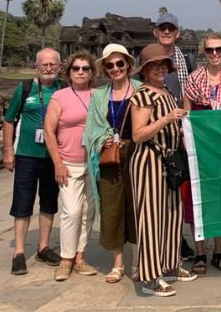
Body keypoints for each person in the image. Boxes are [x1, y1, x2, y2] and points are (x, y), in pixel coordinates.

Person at [128, 43, 194, 297]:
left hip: (169, 162)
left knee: (172, 215)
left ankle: (170, 265)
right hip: (149, 161)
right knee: (151, 218)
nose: (159, 69)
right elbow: (138, 134)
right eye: (153, 66)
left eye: (163, 65)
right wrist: (166, 119)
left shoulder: (166, 91)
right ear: (144, 71)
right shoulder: (143, 94)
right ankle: (150, 276)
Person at [180, 34, 221, 272]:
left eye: (219, 50)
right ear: (203, 52)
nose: (215, 54)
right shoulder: (194, 80)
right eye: (210, 50)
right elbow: (186, 116)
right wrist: (188, 146)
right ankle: (199, 254)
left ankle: (218, 251)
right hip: (200, 150)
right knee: (198, 202)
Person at [4, 48, 65, 275]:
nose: (48, 68)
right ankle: (19, 251)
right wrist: (9, 151)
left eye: (53, 64)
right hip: (27, 154)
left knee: (49, 201)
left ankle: (43, 246)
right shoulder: (26, 89)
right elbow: (9, 120)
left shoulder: (64, 89)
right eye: (44, 64)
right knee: (22, 202)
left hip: (53, 156)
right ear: (37, 66)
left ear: (59, 66)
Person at [83, 44, 140, 285]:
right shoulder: (98, 95)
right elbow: (90, 130)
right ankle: (118, 262)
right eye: (110, 65)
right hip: (108, 156)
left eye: (120, 63)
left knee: (137, 205)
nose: (115, 68)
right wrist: (102, 139)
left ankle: (138, 261)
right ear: (105, 69)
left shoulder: (141, 90)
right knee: (112, 207)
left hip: (137, 153)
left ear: (128, 64)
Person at [46, 53, 103, 282]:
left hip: (93, 162)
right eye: (76, 68)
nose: (80, 72)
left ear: (92, 73)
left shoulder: (98, 96)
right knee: (72, 211)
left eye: (86, 68)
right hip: (68, 161)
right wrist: (57, 163)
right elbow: (49, 131)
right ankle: (65, 259)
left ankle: (80, 257)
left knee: (89, 211)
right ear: (68, 73)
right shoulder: (59, 97)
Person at [150, 11, 192, 100]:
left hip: (181, 111)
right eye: (162, 28)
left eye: (171, 28)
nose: (166, 31)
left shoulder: (189, 60)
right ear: (155, 32)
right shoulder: (145, 58)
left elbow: (192, 92)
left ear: (177, 33)